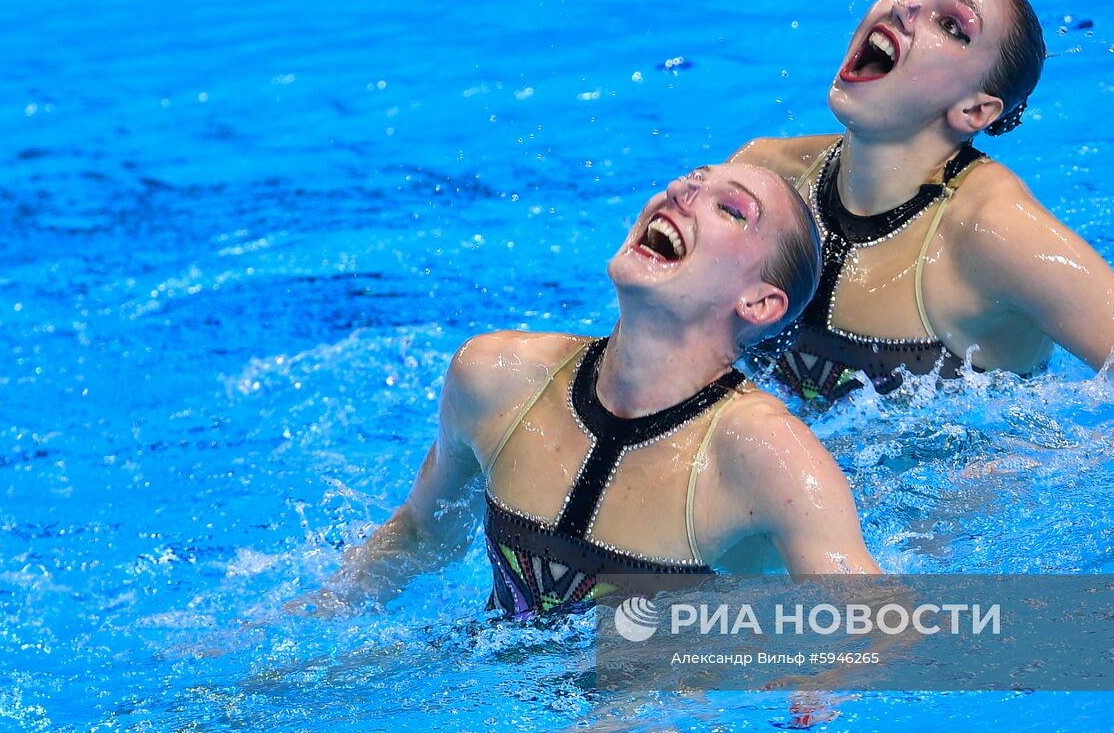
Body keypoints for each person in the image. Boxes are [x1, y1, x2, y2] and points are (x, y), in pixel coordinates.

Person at [310, 163, 880, 618]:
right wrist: (312, 613)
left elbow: (882, 624)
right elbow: (418, 536)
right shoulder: (498, 377)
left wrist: (827, 673)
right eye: (693, 180)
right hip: (489, 687)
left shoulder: (768, 456)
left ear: (758, 304)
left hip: (665, 723)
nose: (681, 191)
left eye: (729, 209)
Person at [734, 0, 1114, 403]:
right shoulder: (764, 179)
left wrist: (1026, 464)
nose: (908, 5)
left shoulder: (996, 234)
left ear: (975, 111)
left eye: (952, 25)